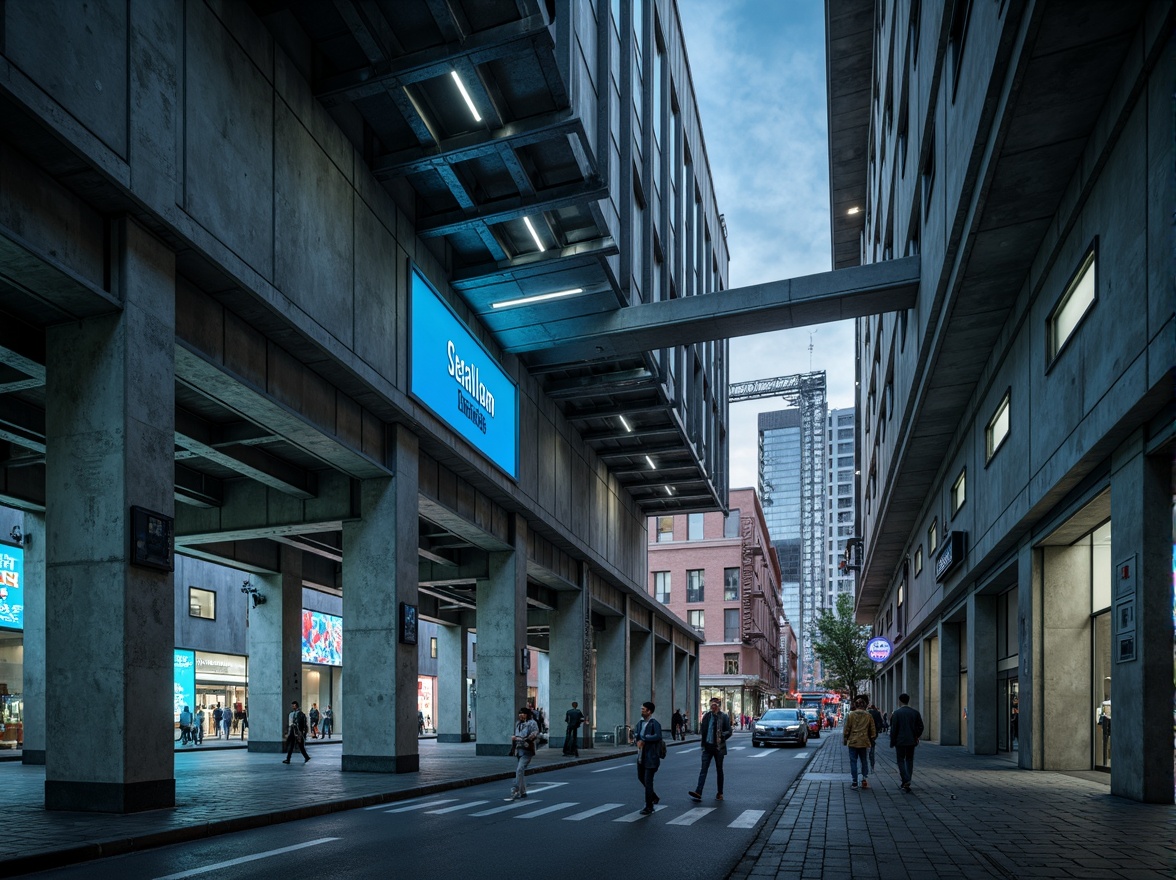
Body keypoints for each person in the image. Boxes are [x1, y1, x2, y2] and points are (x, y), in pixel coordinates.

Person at [689, 697, 732, 802]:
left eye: (715, 704)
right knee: (703, 770)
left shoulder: (724, 717)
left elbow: (729, 731)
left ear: (718, 706)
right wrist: (703, 745)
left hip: (718, 747)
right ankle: (698, 791)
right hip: (707, 747)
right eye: (711, 704)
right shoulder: (707, 716)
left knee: (719, 770)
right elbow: (703, 731)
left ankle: (720, 793)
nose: (713, 706)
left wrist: (722, 735)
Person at [631, 701, 663, 815]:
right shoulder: (640, 723)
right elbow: (636, 734)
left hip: (651, 757)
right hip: (641, 756)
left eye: (643, 709)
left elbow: (658, 736)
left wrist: (644, 739)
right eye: (641, 709)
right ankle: (653, 796)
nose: (642, 711)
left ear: (649, 711)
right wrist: (635, 739)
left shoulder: (654, 723)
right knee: (641, 777)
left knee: (648, 781)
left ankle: (649, 806)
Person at [890, 692, 924, 792]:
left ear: (900, 701)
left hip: (900, 741)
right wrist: (916, 735)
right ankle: (908, 778)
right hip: (911, 740)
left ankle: (905, 779)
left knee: (900, 760)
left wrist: (893, 741)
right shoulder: (915, 713)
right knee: (909, 760)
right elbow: (921, 726)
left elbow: (894, 729)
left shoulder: (896, 713)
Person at [843, 695, 876, 790]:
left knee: (853, 761)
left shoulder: (851, 715)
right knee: (864, 760)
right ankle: (864, 779)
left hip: (853, 741)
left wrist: (845, 738)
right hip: (864, 741)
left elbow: (847, 728)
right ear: (864, 705)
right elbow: (872, 729)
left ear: (856, 705)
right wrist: (872, 738)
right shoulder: (868, 715)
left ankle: (854, 781)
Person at [505, 707, 539, 801]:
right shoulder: (518, 724)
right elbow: (516, 735)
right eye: (520, 713)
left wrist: (524, 739)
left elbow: (534, 734)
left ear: (527, 714)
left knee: (520, 770)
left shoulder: (532, 723)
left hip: (527, 750)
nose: (521, 715)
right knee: (519, 771)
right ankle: (522, 791)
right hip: (519, 750)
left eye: (523, 713)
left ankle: (516, 789)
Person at [867, 702, 885, 769]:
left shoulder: (867, 713)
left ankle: (869, 763)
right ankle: (872, 764)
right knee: (872, 745)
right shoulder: (877, 713)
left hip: (865, 733)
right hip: (874, 732)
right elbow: (880, 721)